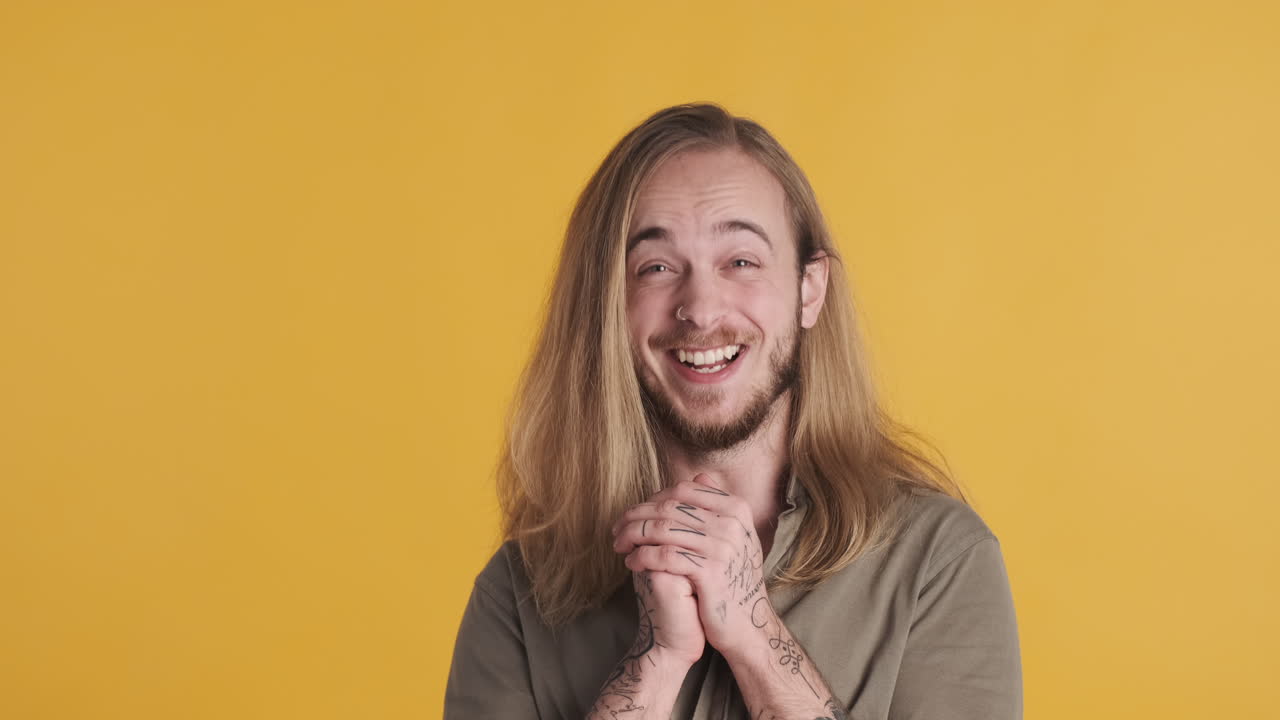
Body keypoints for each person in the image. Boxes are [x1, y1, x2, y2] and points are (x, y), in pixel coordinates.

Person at [445, 103, 1022, 719]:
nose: (700, 308)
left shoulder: (940, 561)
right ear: (607, 306)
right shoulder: (520, 594)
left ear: (810, 289)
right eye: (656, 268)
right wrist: (655, 663)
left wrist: (756, 636)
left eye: (741, 262)